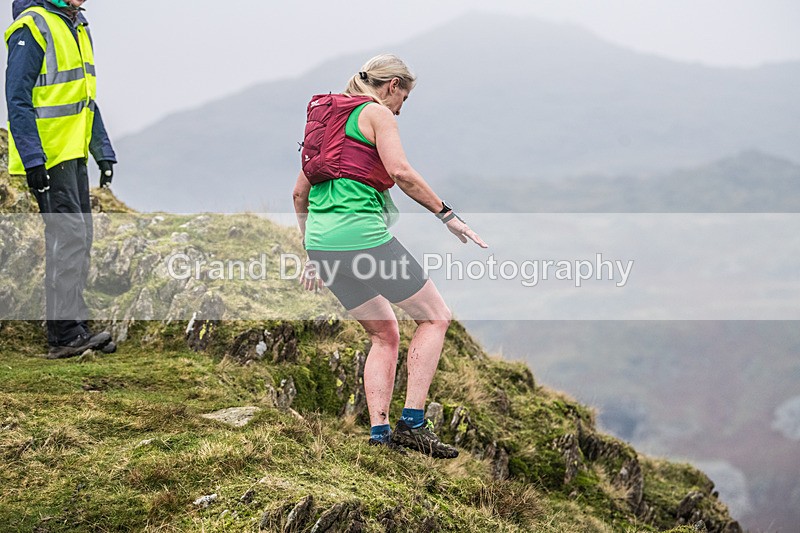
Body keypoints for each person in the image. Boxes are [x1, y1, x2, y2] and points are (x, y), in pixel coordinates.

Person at [292, 54, 487, 458]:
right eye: (403, 98)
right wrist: (447, 215)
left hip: (323, 246)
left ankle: (380, 434)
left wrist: (311, 251)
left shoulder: (327, 120)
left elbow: (299, 193)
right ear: (393, 85)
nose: (400, 108)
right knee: (435, 317)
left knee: (383, 334)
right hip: (362, 238)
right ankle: (413, 424)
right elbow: (400, 172)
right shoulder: (377, 114)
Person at [6, 0, 117, 358]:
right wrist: (33, 159)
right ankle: (64, 335)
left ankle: (75, 327)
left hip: (73, 153)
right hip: (50, 157)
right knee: (66, 237)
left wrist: (103, 150)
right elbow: (17, 99)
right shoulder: (33, 26)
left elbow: (84, 99)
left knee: (80, 236)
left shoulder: (76, 25)